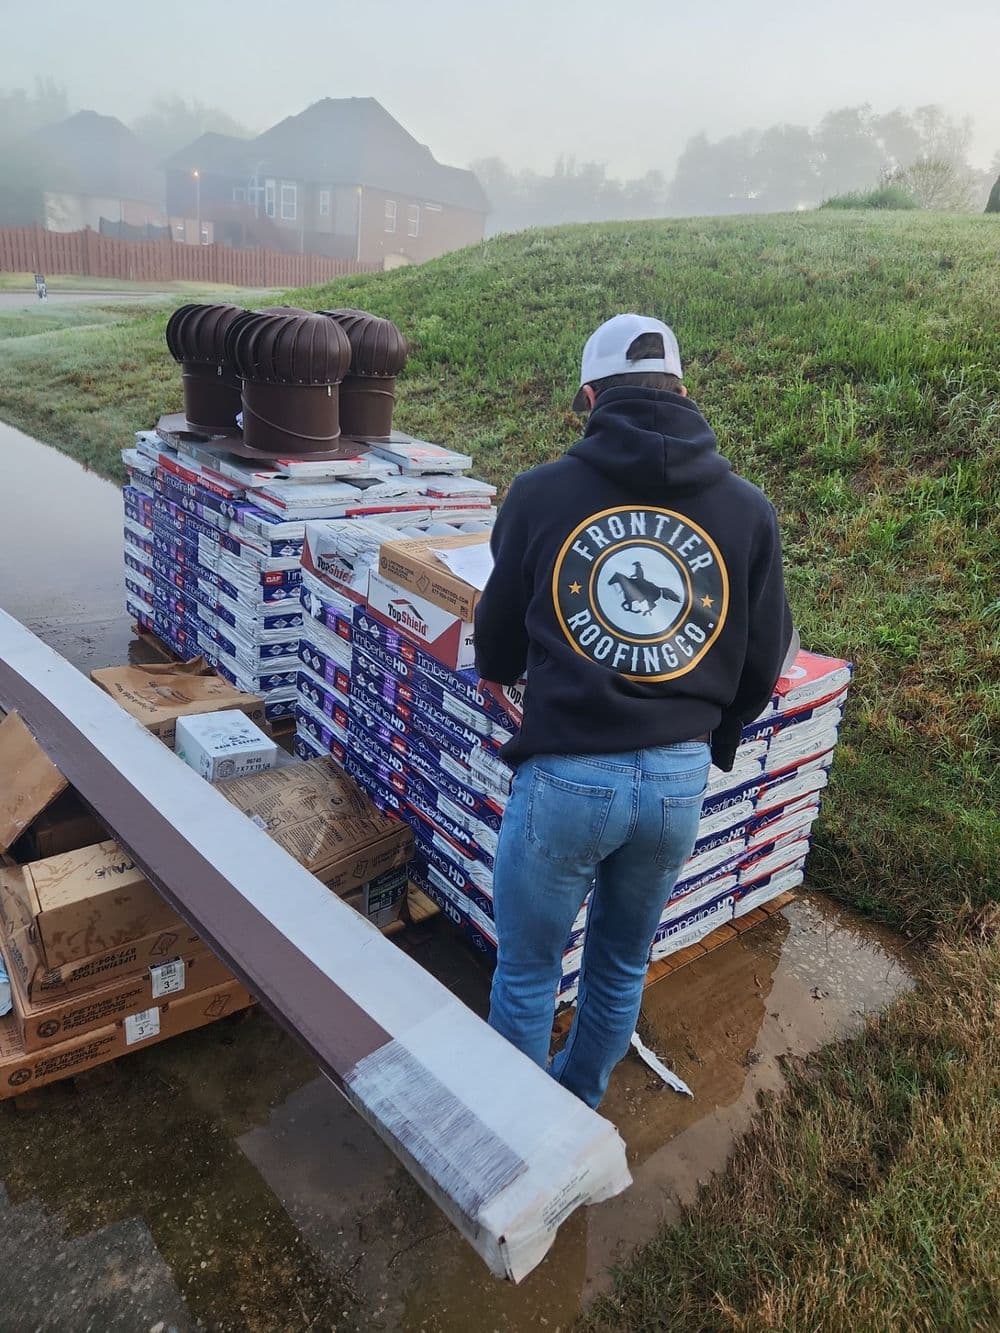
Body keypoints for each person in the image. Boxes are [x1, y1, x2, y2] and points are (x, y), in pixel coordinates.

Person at [474, 313, 792, 1109]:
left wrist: (499, 673)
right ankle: (576, 1104)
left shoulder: (542, 493)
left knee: (526, 970)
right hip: (677, 780)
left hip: (569, 776)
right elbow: (764, 658)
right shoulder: (749, 511)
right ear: (684, 391)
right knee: (618, 966)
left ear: (589, 398)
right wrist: (710, 734)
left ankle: (521, 1139)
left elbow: (501, 629)